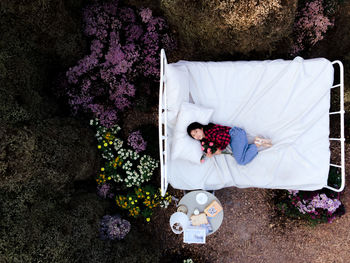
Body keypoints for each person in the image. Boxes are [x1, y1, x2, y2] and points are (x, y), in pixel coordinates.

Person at [187, 122, 272, 165]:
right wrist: (211, 153)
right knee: (241, 157)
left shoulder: (209, 131)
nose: (196, 135)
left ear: (201, 128)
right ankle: (256, 143)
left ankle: (257, 143)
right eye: (193, 135)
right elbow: (211, 148)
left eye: (196, 131)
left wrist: (219, 149)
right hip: (233, 139)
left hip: (235, 134)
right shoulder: (204, 141)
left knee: (241, 161)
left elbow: (225, 137)